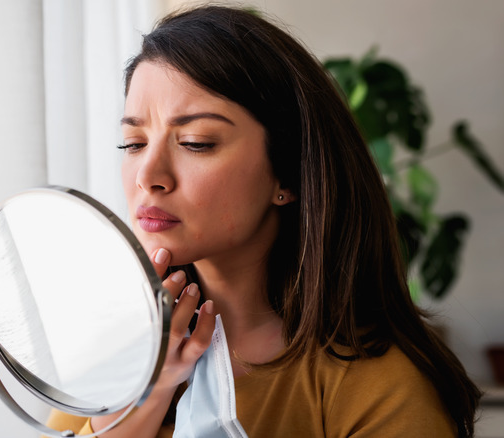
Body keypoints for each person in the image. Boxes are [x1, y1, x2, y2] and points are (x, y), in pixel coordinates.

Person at [48, 5, 480, 437]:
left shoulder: (379, 387)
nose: (147, 176)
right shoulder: (115, 357)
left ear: (287, 173)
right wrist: (141, 401)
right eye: (133, 143)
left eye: (196, 143)